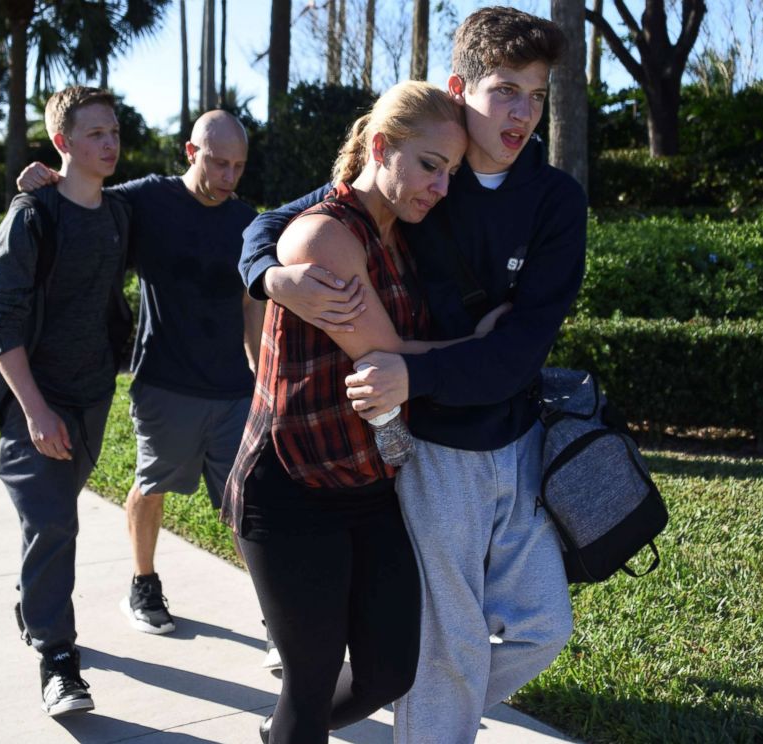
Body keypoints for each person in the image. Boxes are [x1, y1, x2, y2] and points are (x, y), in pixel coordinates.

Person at [238, 7, 585, 743]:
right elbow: (280, 223)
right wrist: (271, 277)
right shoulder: (422, 168)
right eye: (504, 90)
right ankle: (426, 719)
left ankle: (430, 710)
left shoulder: (553, 200)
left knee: (542, 629)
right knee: (441, 651)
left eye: (536, 95)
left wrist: (409, 373)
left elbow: (519, 348)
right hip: (422, 454)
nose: (523, 111)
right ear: (459, 89)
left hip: (516, 441)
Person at [223, 80, 505, 744]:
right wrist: (492, 347)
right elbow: (387, 356)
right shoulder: (326, 235)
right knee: (311, 681)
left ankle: (282, 737)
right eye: (429, 166)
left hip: (367, 483)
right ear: (381, 147)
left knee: (387, 673)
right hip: (290, 490)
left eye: (451, 173)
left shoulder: (403, 231)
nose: (440, 187)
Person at [17, 110, 264, 637]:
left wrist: (261, 371)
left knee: (252, 501)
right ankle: (143, 581)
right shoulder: (146, 199)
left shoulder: (245, 219)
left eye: (238, 167)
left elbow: (251, 305)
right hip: (165, 384)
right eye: (218, 163)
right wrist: (46, 180)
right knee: (151, 486)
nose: (228, 177)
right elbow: (83, 202)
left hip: (234, 390)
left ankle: (276, 612)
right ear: (190, 153)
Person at [0, 86, 132, 716]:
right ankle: (59, 660)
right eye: (95, 133)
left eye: (115, 132)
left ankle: (31, 600)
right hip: (34, 396)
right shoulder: (34, 213)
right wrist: (36, 411)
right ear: (63, 142)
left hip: (92, 393)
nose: (110, 143)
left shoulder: (121, 212)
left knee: (54, 515)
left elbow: (195, 188)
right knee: (53, 521)